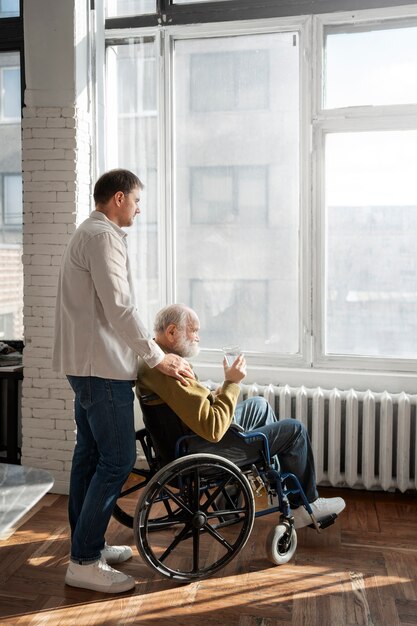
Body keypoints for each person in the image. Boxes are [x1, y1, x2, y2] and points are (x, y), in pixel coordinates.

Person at [52, 170, 194, 594]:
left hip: (87, 364)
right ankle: (83, 561)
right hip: (101, 367)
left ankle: (86, 545)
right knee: (115, 460)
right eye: (135, 201)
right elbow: (120, 309)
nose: (138, 209)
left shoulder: (90, 233)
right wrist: (158, 356)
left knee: (90, 456)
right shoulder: (102, 237)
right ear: (118, 198)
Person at [136, 303, 346, 531]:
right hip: (199, 450)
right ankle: (304, 506)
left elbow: (191, 406)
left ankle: (256, 491)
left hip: (186, 440)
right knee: (294, 430)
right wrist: (231, 383)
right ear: (172, 332)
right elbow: (213, 427)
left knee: (259, 405)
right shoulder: (171, 370)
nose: (198, 337)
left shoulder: (157, 360)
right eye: (194, 330)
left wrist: (218, 391)